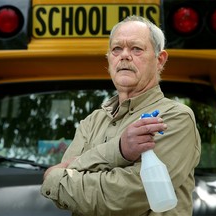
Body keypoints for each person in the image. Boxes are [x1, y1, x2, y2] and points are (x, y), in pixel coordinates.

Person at [41, 15, 201, 216]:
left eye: (136, 49)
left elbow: (126, 197)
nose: (124, 55)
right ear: (109, 59)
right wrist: (121, 150)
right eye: (117, 49)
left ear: (160, 60)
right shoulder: (92, 121)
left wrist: (54, 177)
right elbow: (66, 192)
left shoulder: (174, 117)